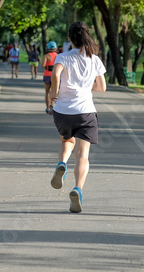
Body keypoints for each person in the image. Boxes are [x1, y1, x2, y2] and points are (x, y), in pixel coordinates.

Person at [49, 21, 106, 213]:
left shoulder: (62, 57)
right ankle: (77, 189)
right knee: (83, 155)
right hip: (85, 112)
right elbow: (102, 88)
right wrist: (85, 86)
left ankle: (62, 163)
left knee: (67, 141)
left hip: (63, 111)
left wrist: (53, 93)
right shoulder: (94, 59)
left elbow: (55, 74)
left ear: (69, 39)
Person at [42, 41, 59, 113]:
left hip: (47, 74)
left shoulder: (46, 56)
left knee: (47, 92)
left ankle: (47, 107)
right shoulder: (58, 56)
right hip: (55, 75)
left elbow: (43, 65)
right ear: (55, 47)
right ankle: (52, 104)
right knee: (53, 91)